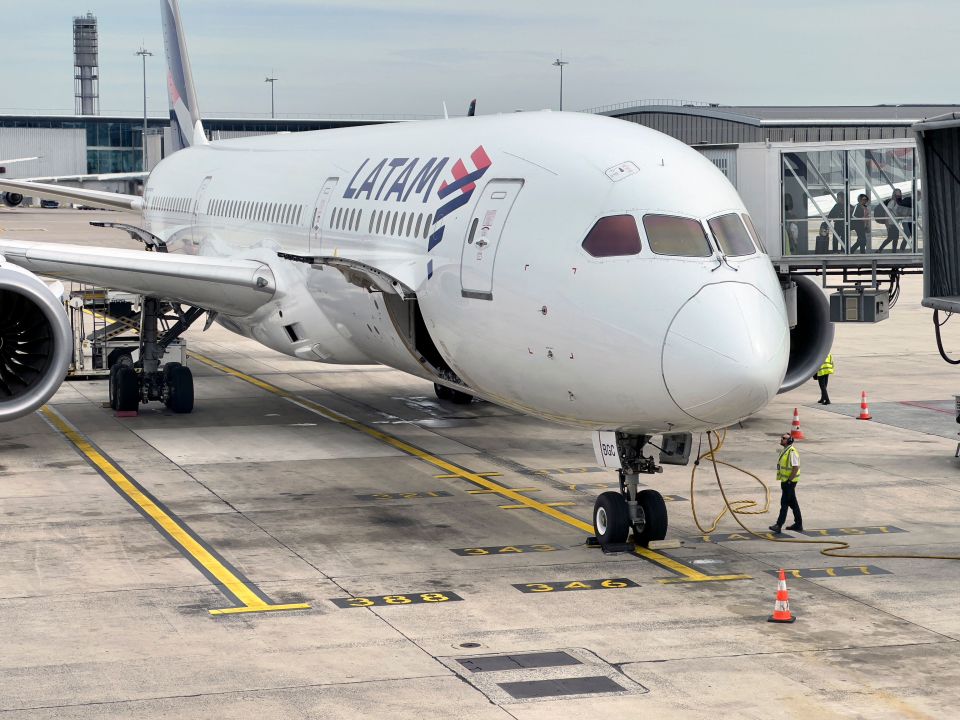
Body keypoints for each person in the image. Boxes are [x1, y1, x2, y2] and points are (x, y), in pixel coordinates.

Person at [769, 433, 802, 533]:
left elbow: (796, 467)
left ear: (789, 441)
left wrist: (789, 481)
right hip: (785, 482)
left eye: (784, 438)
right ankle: (798, 524)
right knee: (793, 503)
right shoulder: (785, 450)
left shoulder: (792, 452)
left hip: (789, 483)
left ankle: (779, 525)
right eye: (782, 438)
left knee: (784, 503)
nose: (781, 439)